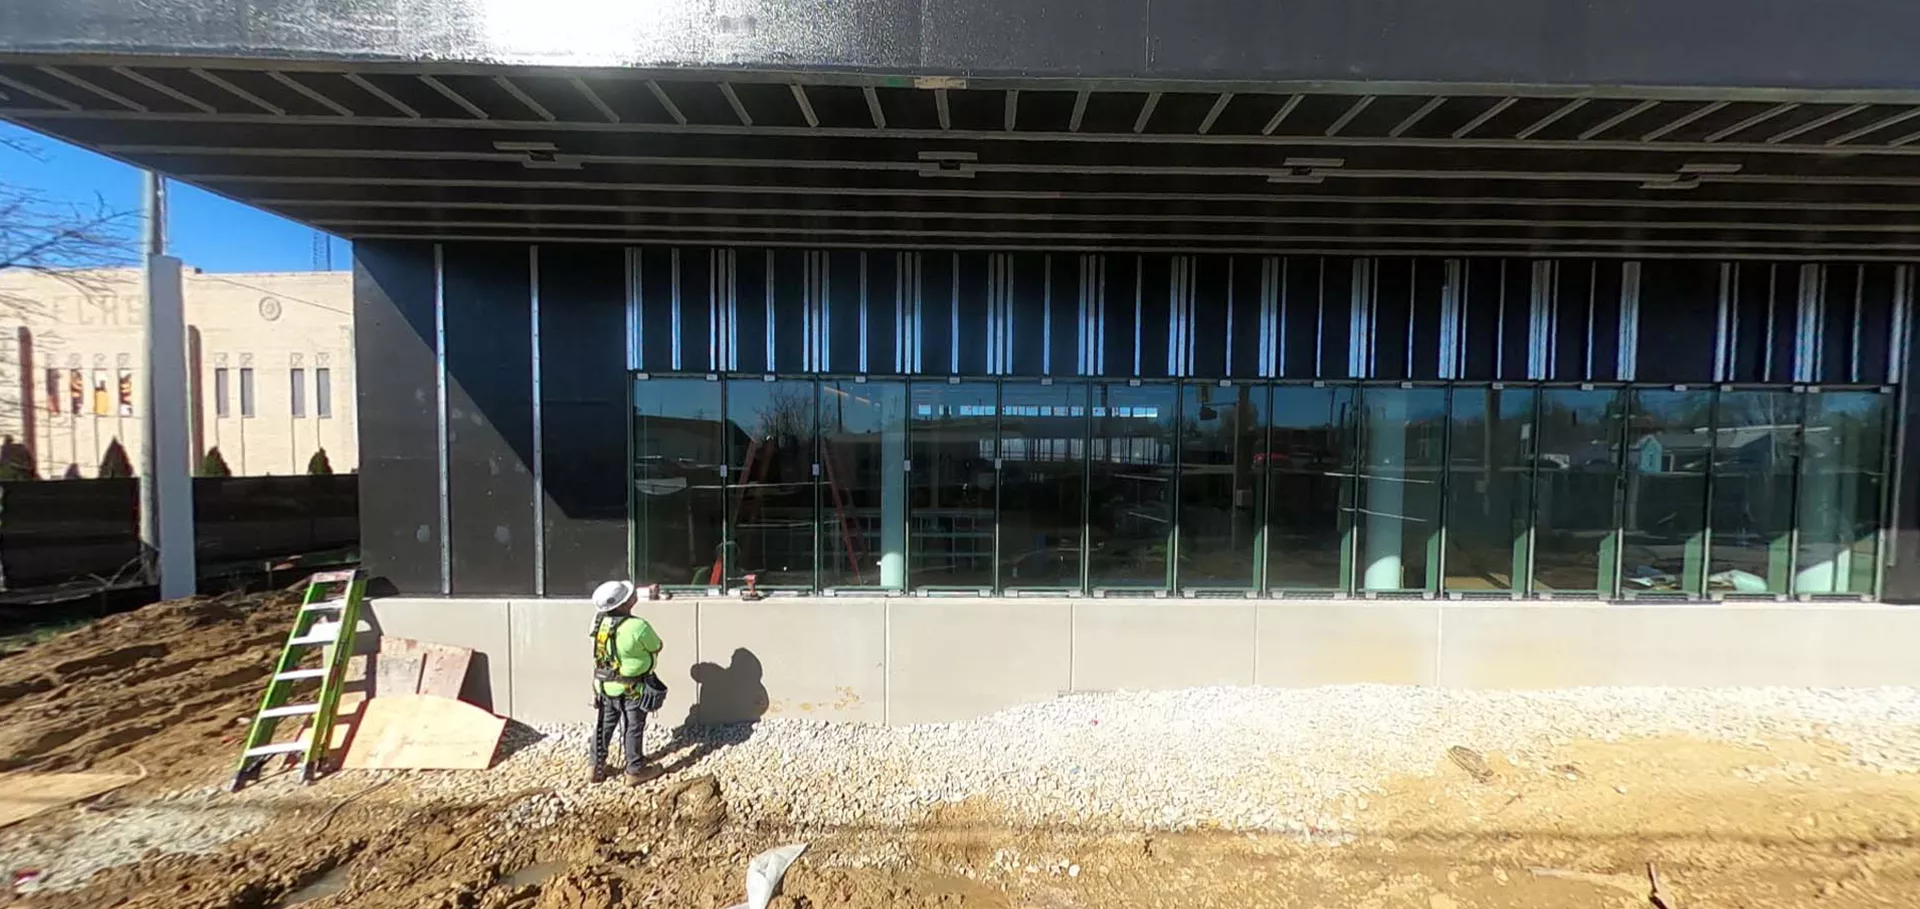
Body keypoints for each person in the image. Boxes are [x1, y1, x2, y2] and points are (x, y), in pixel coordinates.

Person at [589, 580, 667, 785]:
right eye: (629, 595)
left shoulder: (598, 623)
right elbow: (657, 646)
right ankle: (634, 770)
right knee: (633, 726)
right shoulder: (638, 626)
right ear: (625, 604)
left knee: (604, 726)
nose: (633, 596)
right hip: (633, 687)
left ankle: (595, 767)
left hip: (605, 686)